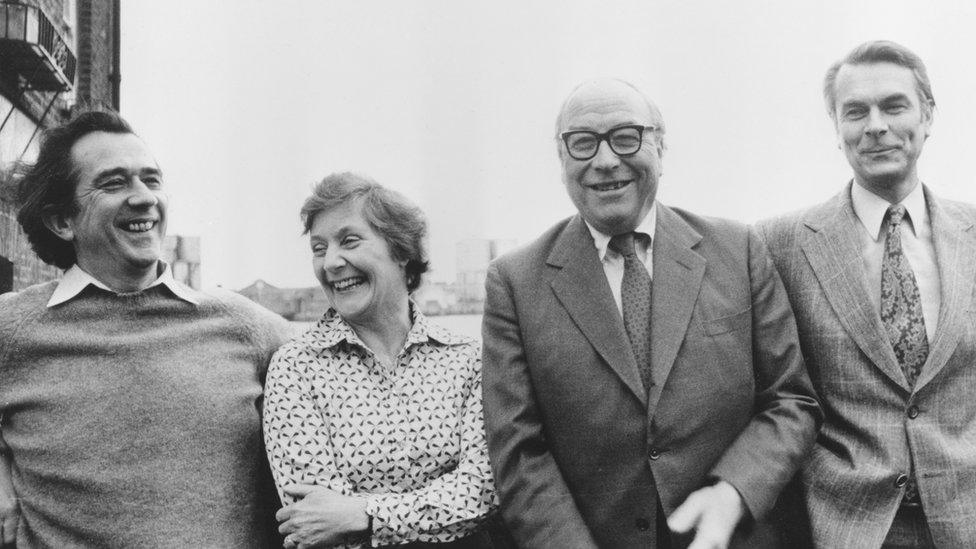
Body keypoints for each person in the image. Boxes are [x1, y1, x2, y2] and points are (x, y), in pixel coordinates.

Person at [481, 78, 822, 549]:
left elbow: (791, 401)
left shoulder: (738, 251)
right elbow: (519, 452)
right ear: (561, 162)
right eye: (582, 143)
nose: (604, 161)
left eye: (627, 137)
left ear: (661, 148)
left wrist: (732, 492)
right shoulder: (514, 282)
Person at [0, 111, 292, 547]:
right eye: (113, 183)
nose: (143, 198)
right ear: (63, 221)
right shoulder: (12, 329)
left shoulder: (247, 328)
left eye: (151, 180)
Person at [758, 40, 976, 548]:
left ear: (928, 114)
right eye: (855, 111)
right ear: (838, 130)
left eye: (893, 106)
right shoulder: (780, 245)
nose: (875, 124)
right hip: (848, 525)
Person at [263, 172, 505, 549]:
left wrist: (364, 517)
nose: (331, 263)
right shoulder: (295, 368)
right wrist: (432, 514)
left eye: (349, 241)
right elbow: (314, 521)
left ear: (402, 251)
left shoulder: (468, 360)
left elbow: (482, 491)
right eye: (318, 247)